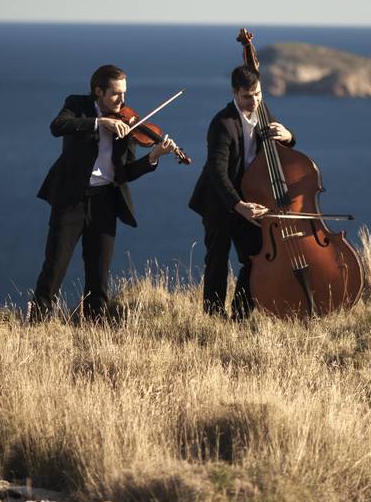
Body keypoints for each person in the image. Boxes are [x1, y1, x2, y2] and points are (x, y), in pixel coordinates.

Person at [30, 65, 178, 321]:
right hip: (71, 200)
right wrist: (99, 123)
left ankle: (94, 328)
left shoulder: (129, 124)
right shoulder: (77, 105)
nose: (122, 101)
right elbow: (58, 126)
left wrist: (153, 156)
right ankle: (37, 325)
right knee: (55, 267)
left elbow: (126, 173)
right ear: (98, 91)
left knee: (99, 273)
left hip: (105, 202)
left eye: (124, 94)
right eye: (115, 94)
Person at [188, 66, 294, 319]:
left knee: (256, 257)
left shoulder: (264, 114)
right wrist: (238, 205)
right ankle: (214, 318)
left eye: (257, 94)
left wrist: (289, 137)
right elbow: (217, 172)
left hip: (251, 199)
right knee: (217, 261)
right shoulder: (222, 124)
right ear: (235, 93)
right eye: (247, 96)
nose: (254, 100)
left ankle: (240, 315)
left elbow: (281, 150)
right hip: (220, 200)